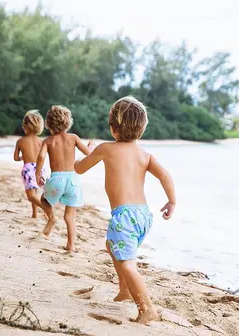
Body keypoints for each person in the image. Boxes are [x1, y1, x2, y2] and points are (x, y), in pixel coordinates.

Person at [74, 96, 176, 324]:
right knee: (112, 246)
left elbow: (79, 168)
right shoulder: (145, 155)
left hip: (124, 217)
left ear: (113, 128)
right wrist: (172, 201)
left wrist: (83, 154)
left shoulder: (106, 149)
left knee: (127, 263)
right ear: (142, 129)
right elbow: (165, 176)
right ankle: (125, 290)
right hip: (143, 216)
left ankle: (147, 308)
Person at [35, 105, 93, 251]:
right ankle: (71, 245)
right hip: (73, 180)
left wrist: (38, 173)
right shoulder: (73, 138)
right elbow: (88, 153)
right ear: (68, 122)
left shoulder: (48, 141)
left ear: (48, 124)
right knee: (70, 216)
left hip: (56, 180)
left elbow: (41, 156)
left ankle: (52, 218)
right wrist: (91, 145)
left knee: (44, 200)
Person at [14, 110, 45, 218]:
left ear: (25, 126)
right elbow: (43, 156)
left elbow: (16, 158)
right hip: (39, 168)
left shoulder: (20, 141)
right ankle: (35, 214)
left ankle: (47, 209)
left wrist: (24, 157)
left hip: (28, 168)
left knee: (31, 196)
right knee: (35, 192)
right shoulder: (41, 141)